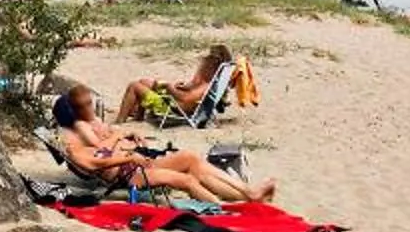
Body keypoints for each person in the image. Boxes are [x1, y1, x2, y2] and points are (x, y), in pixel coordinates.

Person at [55, 84, 274, 204]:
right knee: (187, 179)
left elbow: (105, 147)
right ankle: (224, 209)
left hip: (139, 164)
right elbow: (98, 160)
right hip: (132, 175)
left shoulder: (86, 131)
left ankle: (248, 193)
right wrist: (124, 148)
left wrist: (125, 138)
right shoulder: (76, 142)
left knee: (192, 159)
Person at [113, 45, 233, 124]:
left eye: (205, 64)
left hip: (173, 108)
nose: (202, 67)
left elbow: (185, 100)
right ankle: (139, 116)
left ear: (212, 67)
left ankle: (120, 120)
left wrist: (169, 87)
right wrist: (185, 87)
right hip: (174, 102)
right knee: (145, 82)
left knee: (134, 86)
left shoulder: (205, 87)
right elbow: (190, 93)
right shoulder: (207, 82)